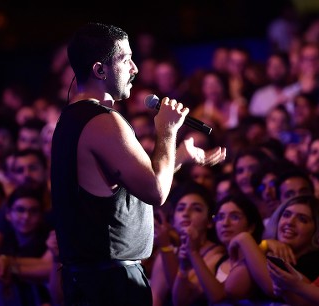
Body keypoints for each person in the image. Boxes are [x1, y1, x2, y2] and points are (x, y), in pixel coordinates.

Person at [50, 23, 226, 306]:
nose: (135, 68)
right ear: (99, 70)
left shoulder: (71, 118)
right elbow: (156, 192)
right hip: (110, 284)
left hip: (93, 279)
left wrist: (178, 156)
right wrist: (167, 130)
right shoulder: (103, 121)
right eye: (125, 59)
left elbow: (136, 182)